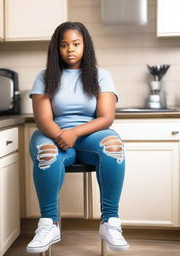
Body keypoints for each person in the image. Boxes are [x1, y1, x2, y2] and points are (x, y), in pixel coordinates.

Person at [26, 21, 129, 254]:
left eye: (75, 44)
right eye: (63, 45)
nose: (70, 49)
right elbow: (43, 119)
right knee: (47, 153)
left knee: (113, 145)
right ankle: (48, 224)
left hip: (91, 135)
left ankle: (110, 222)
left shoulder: (101, 76)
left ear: (85, 46)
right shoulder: (44, 76)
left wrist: (74, 133)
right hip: (53, 135)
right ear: (56, 48)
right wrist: (61, 136)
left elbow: (106, 117)